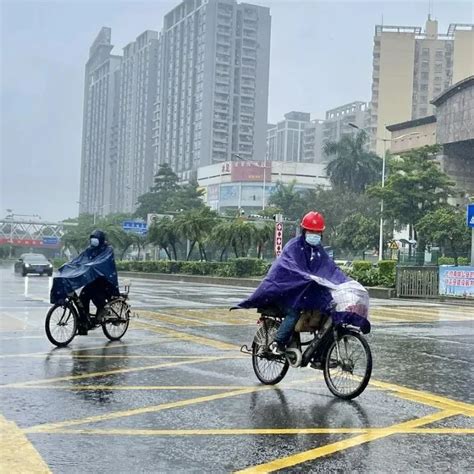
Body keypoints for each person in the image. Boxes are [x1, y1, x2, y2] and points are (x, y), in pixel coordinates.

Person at [237, 211, 369, 354]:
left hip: (304, 293)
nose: (314, 234)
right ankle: (278, 343)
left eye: (317, 232)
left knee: (328, 310)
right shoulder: (293, 247)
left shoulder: (318, 251)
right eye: (311, 231)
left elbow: (330, 269)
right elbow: (291, 267)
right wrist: (307, 277)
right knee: (294, 312)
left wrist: (345, 282)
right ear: (304, 230)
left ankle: (320, 355)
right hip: (285, 293)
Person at [50, 229, 119, 335]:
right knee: (83, 296)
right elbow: (79, 260)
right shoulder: (90, 249)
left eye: (96, 239)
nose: (93, 241)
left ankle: (103, 312)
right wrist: (69, 265)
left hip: (105, 280)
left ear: (101, 240)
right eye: (92, 239)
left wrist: (89, 266)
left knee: (97, 296)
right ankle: (84, 321)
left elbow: (101, 262)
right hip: (93, 280)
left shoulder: (108, 249)